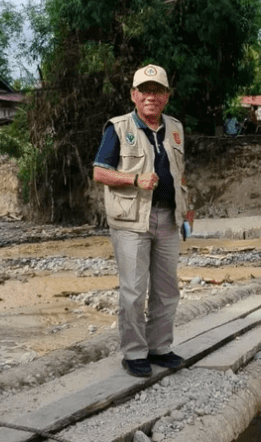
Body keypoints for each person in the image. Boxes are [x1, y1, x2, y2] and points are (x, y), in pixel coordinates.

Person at [92, 64, 188, 378]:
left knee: (167, 289)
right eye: (145, 91)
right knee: (133, 290)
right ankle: (134, 353)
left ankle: (160, 347)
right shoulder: (117, 128)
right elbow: (99, 172)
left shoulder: (175, 127)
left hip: (168, 219)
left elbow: (180, 173)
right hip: (131, 221)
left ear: (167, 96)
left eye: (157, 90)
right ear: (134, 95)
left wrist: (186, 209)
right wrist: (135, 180)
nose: (151, 96)